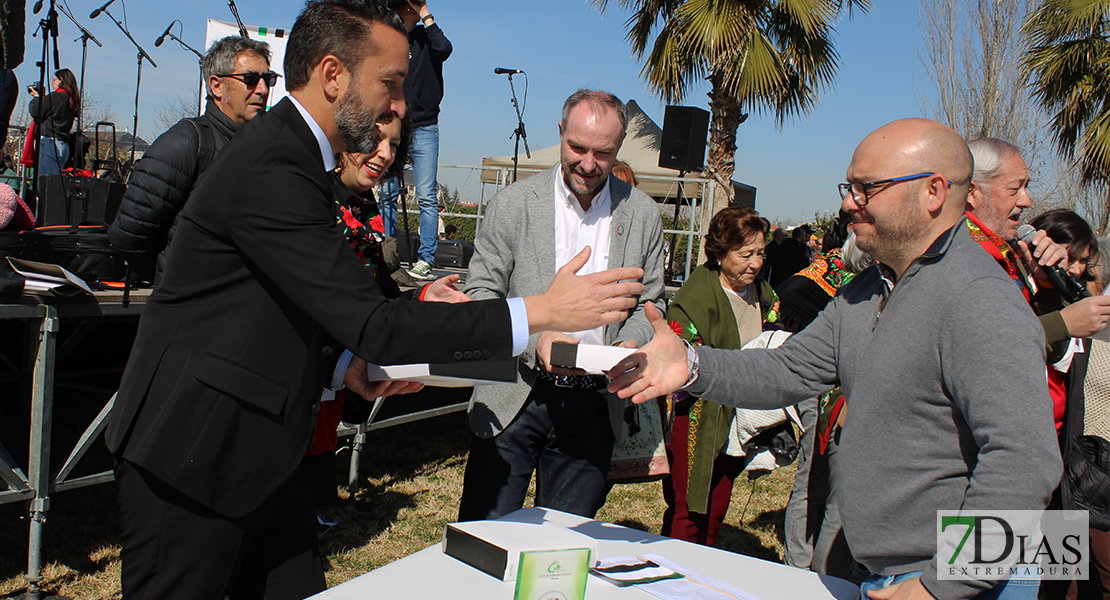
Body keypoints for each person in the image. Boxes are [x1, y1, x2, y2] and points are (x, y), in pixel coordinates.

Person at [102, 4, 646, 598]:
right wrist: (542, 311)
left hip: (259, 459)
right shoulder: (275, 163)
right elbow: (377, 324)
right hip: (193, 456)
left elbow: (280, 308)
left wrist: (344, 366)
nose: (401, 105)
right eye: (390, 83)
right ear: (333, 76)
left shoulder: (294, 158)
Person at [608, 118, 1061, 600]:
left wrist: (944, 584)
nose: (849, 202)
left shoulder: (980, 298)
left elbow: (1023, 461)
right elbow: (787, 368)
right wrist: (694, 366)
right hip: (892, 575)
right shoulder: (867, 291)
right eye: (850, 186)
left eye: (868, 187)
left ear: (933, 192)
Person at [457, 89, 665, 522]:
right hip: (513, 392)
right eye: (577, 148)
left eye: (603, 153)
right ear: (559, 132)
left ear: (620, 147)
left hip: (595, 403)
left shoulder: (643, 215)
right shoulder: (513, 204)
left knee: (561, 552)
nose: (588, 164)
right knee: (486, 537)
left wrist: (630, 343)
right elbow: (480, 298)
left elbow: (652, 302)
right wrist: (537, 337)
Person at [109, 36, 275, 286]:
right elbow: (129, 233)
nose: (262, 89)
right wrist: (168, 280)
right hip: (187, 310)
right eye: (250, 80)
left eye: (268, 79)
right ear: (217, 86)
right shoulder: (185, 141)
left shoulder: (261, 147)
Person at [660, 206, 779, 546]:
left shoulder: (765, 295)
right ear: (721, 251)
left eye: (760, 253)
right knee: (688, 508)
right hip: (698, 415)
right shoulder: (695, 296)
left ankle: (704, 572)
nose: (755, 263)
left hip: (741, 418)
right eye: (745, 254)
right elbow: (684, 357)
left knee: (717, 506)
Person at [378, 0, 451, 282]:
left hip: (425, 125)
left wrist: (425, 12)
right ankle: (386, 249)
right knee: (387, 192)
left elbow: (445, 48)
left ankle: (426, 259)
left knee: (426, 196)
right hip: (394, 123)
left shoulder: (425, 38)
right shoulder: (391, 39)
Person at [27, 68, 78, 176]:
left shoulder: (55, 97)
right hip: (63, 145)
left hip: (50, 143)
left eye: (54, 79)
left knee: (46, 182)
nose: (52, 82)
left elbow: (36, 111)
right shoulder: (70, 99)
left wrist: (37, 98)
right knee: (54, 181)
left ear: (61, 80)